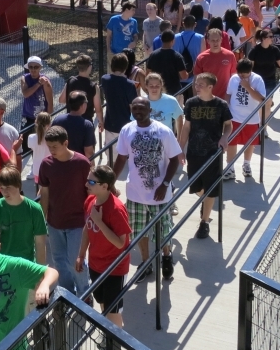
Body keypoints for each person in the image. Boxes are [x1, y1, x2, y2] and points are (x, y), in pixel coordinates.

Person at [113, 98, 183, 279]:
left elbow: (175, 159)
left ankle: (166, 255)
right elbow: (121, 158)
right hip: (135, 192)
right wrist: (111, 181)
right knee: (137, 230)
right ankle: (146, 262)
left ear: (149, 110)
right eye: (135, 107)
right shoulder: (126, 130)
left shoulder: (163, 131)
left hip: (159, 193)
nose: (138, 111)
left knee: (163, 230)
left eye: (142, 108)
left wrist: (165, 184)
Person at [37, 126, 91, 295]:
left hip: (77, 223)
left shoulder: (82, 163)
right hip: (54, 223)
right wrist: (42, 219)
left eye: (55, 146)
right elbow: (44, 193)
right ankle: (68, 295)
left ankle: (84, 294)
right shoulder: (46, 164)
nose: (51, 150)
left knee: (76, 262)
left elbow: (90, 191)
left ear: (65, 143)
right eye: (49, 146)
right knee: (59, 262)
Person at [180, 73, 233, 241]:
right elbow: (186, 127)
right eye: (196, 84)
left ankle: (204, 222)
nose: (197, 87)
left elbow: (228, 126)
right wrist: (180, 148)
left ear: (210, 87)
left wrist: (225, 137)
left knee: (211, 188)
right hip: (194, 152)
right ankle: (206, 203)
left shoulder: (221, 105)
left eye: (201, 84)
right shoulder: (190, 103)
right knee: (195, 187)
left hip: (213, 153)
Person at [77, 165, 131, 324]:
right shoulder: (89, 201)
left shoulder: (116, 209)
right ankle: (108, 333)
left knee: (113, 312)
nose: (86, 184)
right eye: (87, 181)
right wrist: (81, 255)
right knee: (102, 305)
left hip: (115, 268)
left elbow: (122, 243)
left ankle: (114, 345)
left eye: (91, 182)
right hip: (95, 264)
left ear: (105, 186)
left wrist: (99, 222)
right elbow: (87, 228)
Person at [0, 165, 48, 264]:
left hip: (27, 263)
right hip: (3, 264)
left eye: (8, 187)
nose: (4, 191)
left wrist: (41, 271)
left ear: (18, 185)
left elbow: (40, 243)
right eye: (1, 188)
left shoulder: (35, 209)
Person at [225, 59, 267, 180]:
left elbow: (261, 98)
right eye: (240, 74)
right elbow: (228, 94)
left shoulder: (257, 79)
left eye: (245, 74)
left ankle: (246, 164)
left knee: (249, 143)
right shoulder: (233, 78)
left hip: (251, 119)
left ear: (250, 71)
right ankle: (230, 168)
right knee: (231, 142)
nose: (242, 76)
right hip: (234, 117)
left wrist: (248, 87)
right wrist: (226, 105)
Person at [97, 53, 139, 148]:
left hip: (109, 124)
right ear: (125, 67)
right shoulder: (129, 85)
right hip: (126, 125)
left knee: (111, 156)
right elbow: (133, 107)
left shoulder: (104, 79)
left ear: (112, 66)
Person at [247, 29, 280, 122]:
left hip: (270, 80)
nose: (272, 38)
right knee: (260, 103)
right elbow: (250, 66)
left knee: (268, 103)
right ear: (263, 38)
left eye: (272, 36)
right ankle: (259, 125)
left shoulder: (274, 49)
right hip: (257, 82)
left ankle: (264, 127)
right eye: (270, 37)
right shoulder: (255, 50)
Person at [193, 28, 238, 99]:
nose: (215, 43)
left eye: (217, 40)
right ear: (208, 41)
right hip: (206, 98)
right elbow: (196, 80)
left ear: (221, 40)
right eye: (213, 40)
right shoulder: (201, 58)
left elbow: (234, 77)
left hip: (225, 98)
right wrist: (197, 98)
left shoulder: (230, 56)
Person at [146, 31, 189, 101]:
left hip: (158, 91)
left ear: (161, 40)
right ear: (173, 40)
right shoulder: (177, 56)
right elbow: (184, 76)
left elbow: (147, 74)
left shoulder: (153, 55)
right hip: (175, 92)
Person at [52, 91, 96, 158]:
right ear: (83, 105)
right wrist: (92, 166)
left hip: (60, 162)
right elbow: (88, 152)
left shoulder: (57, 120)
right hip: (79, 164)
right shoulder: (87, 125)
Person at [58, 55, 99, 125]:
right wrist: (101, 121)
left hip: (70, 121)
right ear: (89, 67)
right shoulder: (93, 86)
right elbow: (98, 109)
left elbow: (61, 100)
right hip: (86, 123)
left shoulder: (71, 80)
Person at [20, 56, 53, 129]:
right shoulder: (24, 78)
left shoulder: (45, 81)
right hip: (27, 116)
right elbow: (26, 94)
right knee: (25, 139)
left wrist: (48, 118)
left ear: (40, 67)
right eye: (31, 67)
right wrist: (38, 84)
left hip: (42, 117)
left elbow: (50, 102)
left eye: (36, 67)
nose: (33, 69)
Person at [25, 111, 53, 181]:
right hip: (50, 168)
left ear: (36, 122)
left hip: (37, 170)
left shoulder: (31, 137)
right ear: (49, 124)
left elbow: (32, 148)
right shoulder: (52, 138)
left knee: (40, 190)